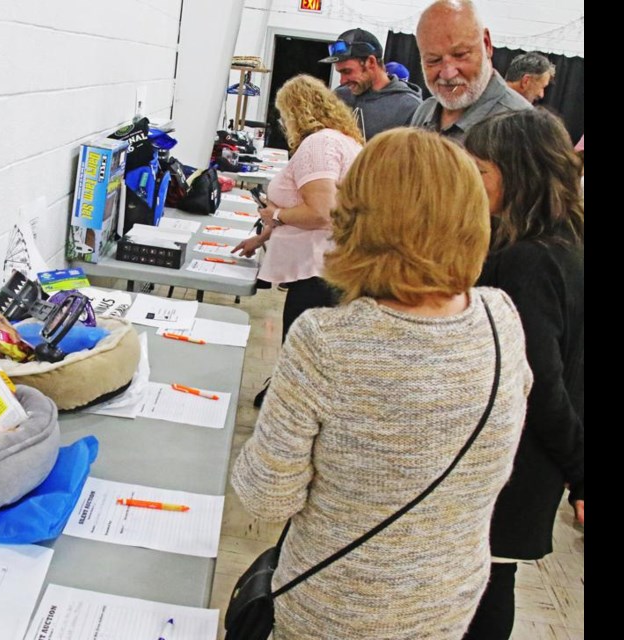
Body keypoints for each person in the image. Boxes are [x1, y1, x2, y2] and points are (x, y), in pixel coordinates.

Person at [231, 127, 532, 640]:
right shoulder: (500, 318)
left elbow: (267, 498)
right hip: (449, 597)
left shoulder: (326, 341)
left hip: (338, 605)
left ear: (358, 217)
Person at [463, 108, 584, 639]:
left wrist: (579, 466)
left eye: (482, 171)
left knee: (484, 584)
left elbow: (539, 381)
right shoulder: (565, 241)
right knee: (493, 576)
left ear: (519, 174)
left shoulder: (527, 262)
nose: (474, 182)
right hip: (537, 454)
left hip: (519, 456)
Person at [230, 74, 362, 407]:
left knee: (302, 358)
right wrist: (262, 237)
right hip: (332, 267)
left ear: (296, 111)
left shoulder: (318, 144)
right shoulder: (343, 141)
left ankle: (288, 416)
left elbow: (320, 212)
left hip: (316, 272)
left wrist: (274, 216)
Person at [410, 0, 530, 142]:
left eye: (460, 55)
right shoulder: (424, 112)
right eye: (433, 60)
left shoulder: (523, 128)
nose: (448, 74)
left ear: (487, 45)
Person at [320, 28, 422, 139]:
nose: (342, 81)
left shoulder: (409, 108)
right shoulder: (340, 96)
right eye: (340, 73)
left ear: (371, 62)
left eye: (347, 71)